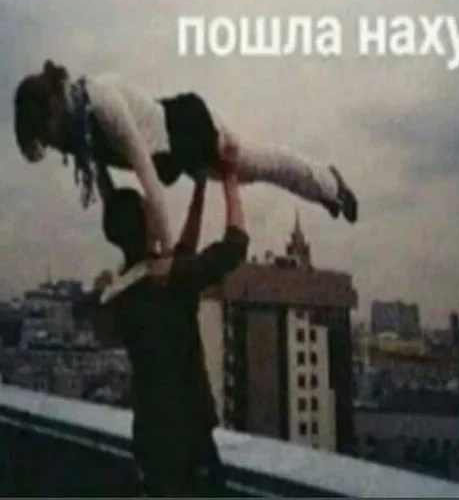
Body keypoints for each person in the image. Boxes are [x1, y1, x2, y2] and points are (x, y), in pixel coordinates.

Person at [14, 60, 357, 276]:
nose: (51, 144)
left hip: (189, 128)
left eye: (47, 135)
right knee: (256, 168)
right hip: (172, 152)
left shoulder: (102, 103)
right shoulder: (75, 131)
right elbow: (109, 194)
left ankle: (331, 186)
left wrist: (165, 256)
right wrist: (131, 249)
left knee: (258, 165)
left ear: (53, 111)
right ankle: (326, 189)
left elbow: (148, 180)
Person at [83, 161, 248, 496]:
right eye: (149, 210)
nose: (156, 214)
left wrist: (200, 189)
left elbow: (182, 253)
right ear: (146, 226)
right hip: (188, 443)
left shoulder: (126, 290)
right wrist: (230, 179)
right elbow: (235, 246)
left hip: (151, 438)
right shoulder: (167, 280)